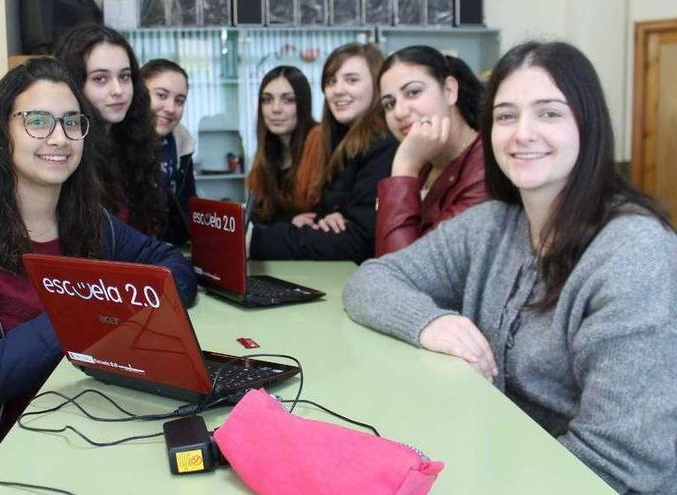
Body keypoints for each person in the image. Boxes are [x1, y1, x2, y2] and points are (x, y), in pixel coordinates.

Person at [343, 41, 677, 493]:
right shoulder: (493, 224)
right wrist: (431, 322)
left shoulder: (634, 253)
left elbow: (618, 466)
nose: (522, 133)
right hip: (494, 455)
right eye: (505, 116)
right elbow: (370, 281)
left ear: (588, 124)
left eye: (549, 113)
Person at [0, 57, 197, 495]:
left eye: (71, 122)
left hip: (72, 428)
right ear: (2, 130)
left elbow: (173, 268)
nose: (59, 138)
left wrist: (122, 301)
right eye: (38, 121)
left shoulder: (90, 223)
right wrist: (86, 313)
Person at [248, 43, 397, 264]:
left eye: (352, 80)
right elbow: (332, 219)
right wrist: (324, 220)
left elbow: (359, 242)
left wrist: (255, 239)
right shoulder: (341, 142)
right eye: (331, 81)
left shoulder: (383, 145)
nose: (337, 90)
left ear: (378, 85)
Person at [375, 45, 487, 256]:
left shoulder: (485, 169)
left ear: (449, 91)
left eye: (413, 92)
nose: (399, 112)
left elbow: (405, 274)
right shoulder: (424, 160)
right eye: (389, 104)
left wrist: (404, 168)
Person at [54, 24, 164, 237]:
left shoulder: (135, 142)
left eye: (124, 76)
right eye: (100, 79)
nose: (118, 90)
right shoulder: (63, 151)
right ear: (74, 84)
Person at [245, 65, 322, 224]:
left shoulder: (319, 143)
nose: (275, 109)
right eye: (267, 100)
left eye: (288, 100)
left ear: (303, 104)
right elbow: (257, 216)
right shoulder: (266, 155)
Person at [139, 59, 196, 246]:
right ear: (139, 93)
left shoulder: (182, 143)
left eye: (179, 101)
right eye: (161, 95)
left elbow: (188, 209)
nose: (171, 108)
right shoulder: (115, 141)